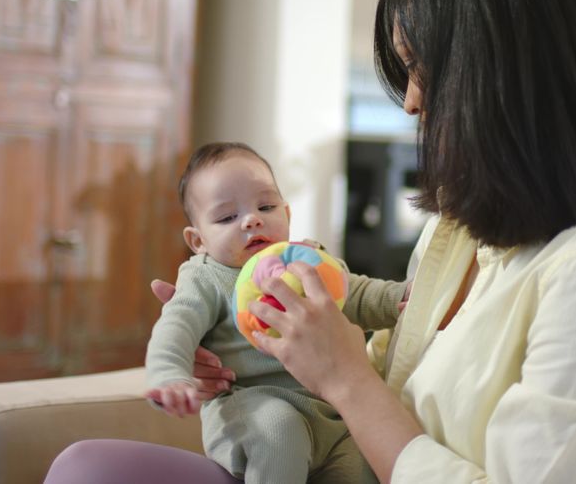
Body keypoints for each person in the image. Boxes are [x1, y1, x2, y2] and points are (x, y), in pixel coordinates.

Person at [45, 0, 576, 482]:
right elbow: (390, 375)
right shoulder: (468, 229)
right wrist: (260, 352)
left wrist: (343, 380)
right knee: (88, 467)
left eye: (423, 67)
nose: (413, 100)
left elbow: (372, 396)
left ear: (508, 70)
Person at [143, 142, 406, 484]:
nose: (251, 220)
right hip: (251, 406)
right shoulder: (204, 277)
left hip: (329, 416)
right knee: (281, 429)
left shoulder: (308, 260)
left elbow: (357, 294)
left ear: (288, 214)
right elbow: (174, 327)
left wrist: (402, 297)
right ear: (198, 241)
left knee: (362, 462)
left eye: (265, 206)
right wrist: (169, 376)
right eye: (226, 217)